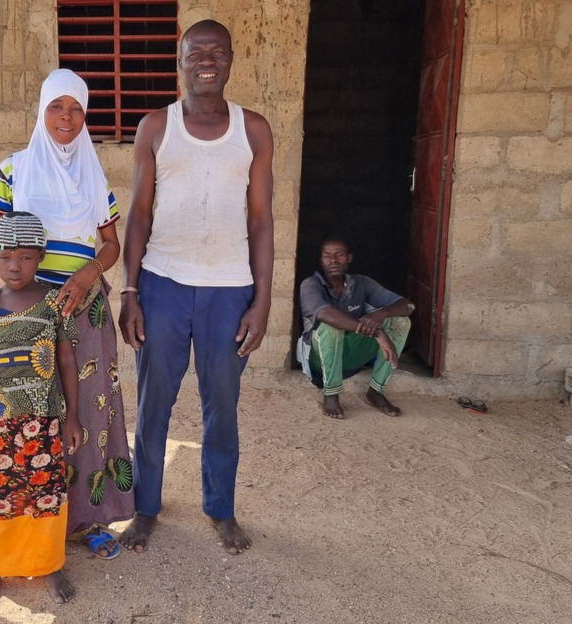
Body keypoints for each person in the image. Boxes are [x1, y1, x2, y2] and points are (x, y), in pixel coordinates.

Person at [117, 19, 274, 556]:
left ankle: (221, 510)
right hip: (162, 283)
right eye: (195, 52)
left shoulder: (253, 129)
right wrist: (130, 292)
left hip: (229, 290)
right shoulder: (155, 126)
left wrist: (263, 301)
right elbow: (138, 214)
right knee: (153, 401)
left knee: (221, 405)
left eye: (217, 51)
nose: (207, 59)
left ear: (231, 60)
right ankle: (144, 508)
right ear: (180, 62)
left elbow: (261, 221)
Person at [0, 68, 134, 560]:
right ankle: (33, 519)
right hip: (29, 313)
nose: (67, 117)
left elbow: (111, 244)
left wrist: (85, 277)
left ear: (85, 115)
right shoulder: (13, 168)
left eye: (76, 108)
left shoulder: (94, 175)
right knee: (31, 412)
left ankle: (88, 520)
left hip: (84, 309)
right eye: (57, 107)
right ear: (42, 111)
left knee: (88, 409)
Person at [0, 211, 84, 613]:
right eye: (6, 256)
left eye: (26, 257)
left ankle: (49, 565)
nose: (15, 266)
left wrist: (72, 417)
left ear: (42, 255)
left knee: (46, 494)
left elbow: (67, 361)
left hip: (44, 422)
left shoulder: (53, 304)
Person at [297, 238, 415, 419]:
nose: (333, 260)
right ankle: (331, 393)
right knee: (331, 326)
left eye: (339, 255)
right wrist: (377, 331)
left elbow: (407, 305)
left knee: (401, 322)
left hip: (352, 355)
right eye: (327, 256)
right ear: (321, 260)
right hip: (318, 359)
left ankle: (376, 391)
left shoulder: (361, 283)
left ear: (349, 258)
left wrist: (381, 314)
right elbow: (325, 314)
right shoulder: (310, 284)